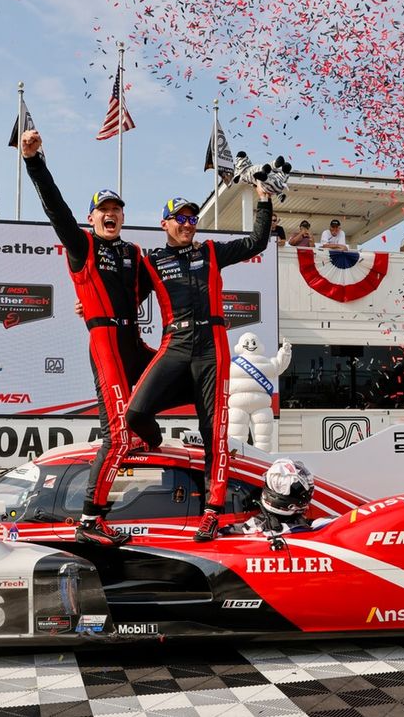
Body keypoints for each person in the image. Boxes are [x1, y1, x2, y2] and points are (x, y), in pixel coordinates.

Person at [18, 129, 155, 547]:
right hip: (106, 346)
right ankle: (90, 519)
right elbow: (57, 210)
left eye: (116, 209)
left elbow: (153, 287)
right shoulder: (82, 245)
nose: (110, 214)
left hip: (135, 343)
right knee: (116, 434)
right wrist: (35, 162)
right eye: (103, 209)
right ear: (91, 217)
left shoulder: (134, 252)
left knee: (154, 427)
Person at [125, 188, 272, 542]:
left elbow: (256, 243)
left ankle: (212, 512)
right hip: (175, 342)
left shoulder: (209, 252)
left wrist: (264, 201)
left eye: (193, 219)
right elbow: (124, 300)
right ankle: (154, 441)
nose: (189, 224)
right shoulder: (152, 260)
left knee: (214, 433)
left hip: (212, 345)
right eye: (182, 218)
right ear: (165, 224)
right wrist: (88, 306)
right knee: (135, 413)